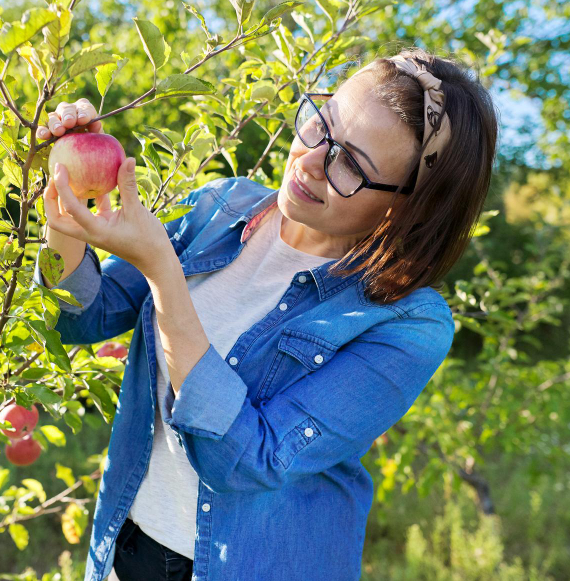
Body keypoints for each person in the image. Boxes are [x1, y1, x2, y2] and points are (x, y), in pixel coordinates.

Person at [31, 48, 498, 581]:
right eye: (321, 123)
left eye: (351, 164)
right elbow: (82, 317)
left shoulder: (406, 322)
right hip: (125, 547)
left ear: (410, 205)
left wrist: (163, 272)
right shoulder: (220, 208)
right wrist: (68, 202)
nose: (310, 160)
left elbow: (249, 460)